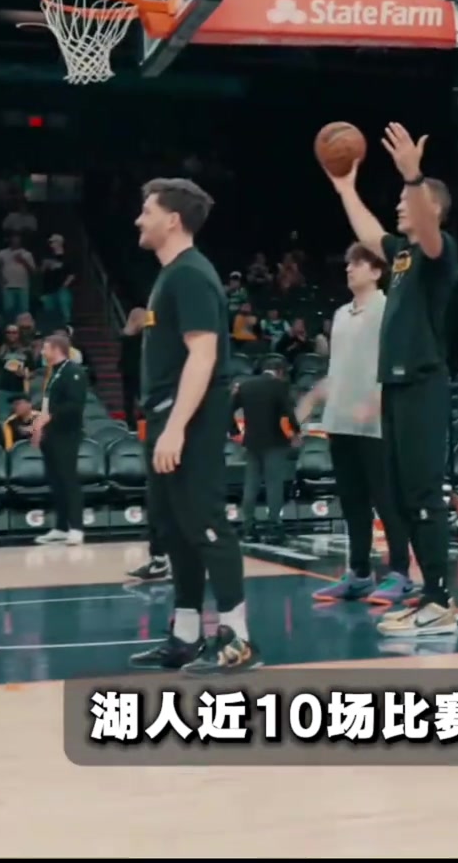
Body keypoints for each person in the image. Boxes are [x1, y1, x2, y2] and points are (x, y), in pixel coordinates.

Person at [324, 124, 458, 636]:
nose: (400, 206)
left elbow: (426, 227)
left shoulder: (438, 250)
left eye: (410, 202)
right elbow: (368, 233)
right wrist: (345, 187)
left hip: (424, 383)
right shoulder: (401, 257)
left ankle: (440, 601)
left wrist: (413, 176)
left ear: (432, 208)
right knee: (403, 498)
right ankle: (428, 596)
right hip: (397, 388)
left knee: (422, 494)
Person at [125, 178, 255, 675]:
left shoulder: (192, 275)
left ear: (172, 220)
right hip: (167, 413)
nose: (139, 219)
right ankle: (184, 636)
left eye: (147, 210)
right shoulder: (171, 275)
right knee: (176, 528)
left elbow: (204, 355)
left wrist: (177, 427)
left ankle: (238, 639)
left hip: (191, 416)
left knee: (205, 522)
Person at [305, 244, 409, 603]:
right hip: (340, 419)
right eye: (348, 263)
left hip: (376, 422)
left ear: (377, 271)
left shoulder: (388, 309)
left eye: (358, 263)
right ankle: (359, 573)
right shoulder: (340, 314)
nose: (349, 269)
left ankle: (400, 572)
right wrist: (313, 401)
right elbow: (337, 369)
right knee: (352, 501)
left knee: (386, 499)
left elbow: (393, 364)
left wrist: (376, 402)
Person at [32, 334, 89, 546]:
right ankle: (61, 526)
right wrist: (39, 423)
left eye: (45, 348)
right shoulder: (54, 372)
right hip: (52, 434)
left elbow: (75, 406)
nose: (42, 352)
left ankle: (76, 528)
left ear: (56, 349)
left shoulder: (73, 372)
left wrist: (51, 416)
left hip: (67, 434)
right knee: (55, 481)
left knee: (68, 480)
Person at [232, 362, 297, 545]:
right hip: (275, 442)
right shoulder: (279, 386)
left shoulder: (246, 386)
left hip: (252, 443)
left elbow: (228, 409)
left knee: (251, 484)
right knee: (274, 485)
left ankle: (248, 526)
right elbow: (288, 413)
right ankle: (274, 525)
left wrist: (234, 431)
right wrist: (296, 432)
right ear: (280, 372)